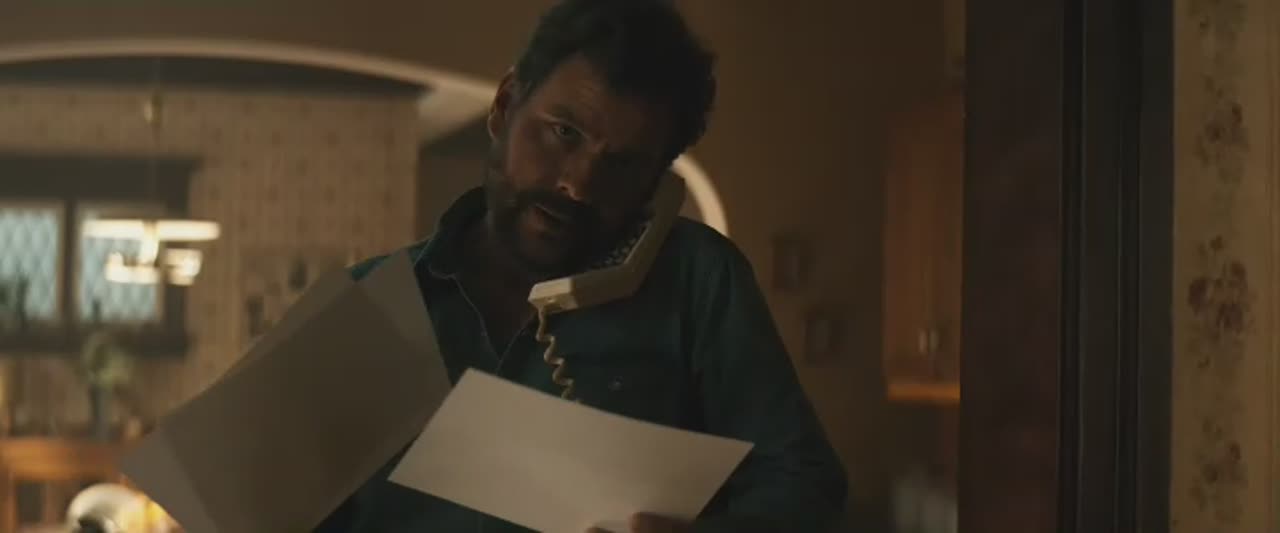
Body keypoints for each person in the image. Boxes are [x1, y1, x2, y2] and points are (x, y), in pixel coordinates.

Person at [317, 0, 847, 531]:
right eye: (564, 133)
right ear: (505, 105)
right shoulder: (365, 303)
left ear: (656, 182)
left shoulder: (698, 281)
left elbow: (805, 487)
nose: (578, 184)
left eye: (623, 163)